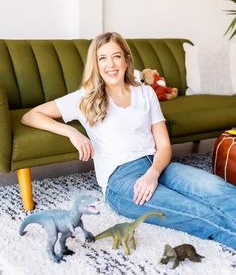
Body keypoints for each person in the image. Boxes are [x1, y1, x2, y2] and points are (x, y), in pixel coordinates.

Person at [21, 31, 236, 250]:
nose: (110, 64)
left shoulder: (145, 93)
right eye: (102, 58)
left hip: (157, 164)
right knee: (193, 211)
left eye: (116, 56)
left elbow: (163, 146)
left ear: (126, 59)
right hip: (120, 179)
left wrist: (152, 174)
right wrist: (71, 132)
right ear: (95, 64)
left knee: (217, 188)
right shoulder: (85, 97)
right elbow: (30, 116)